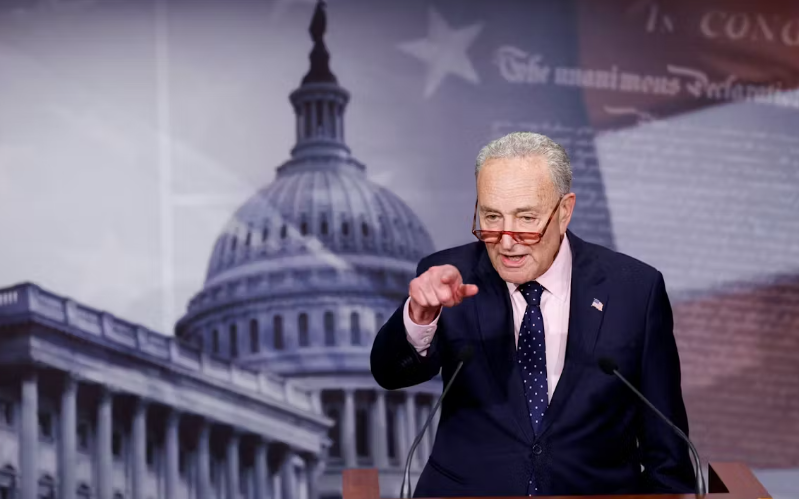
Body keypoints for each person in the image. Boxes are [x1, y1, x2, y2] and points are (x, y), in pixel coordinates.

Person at [370, 132, 695, 496]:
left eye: (526, 218)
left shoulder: (634, 290)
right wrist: (420, 314)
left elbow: (667, 451)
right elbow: (390, 374)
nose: (506, 242)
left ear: (564, 212)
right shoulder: (449, 277)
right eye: (491, 217)